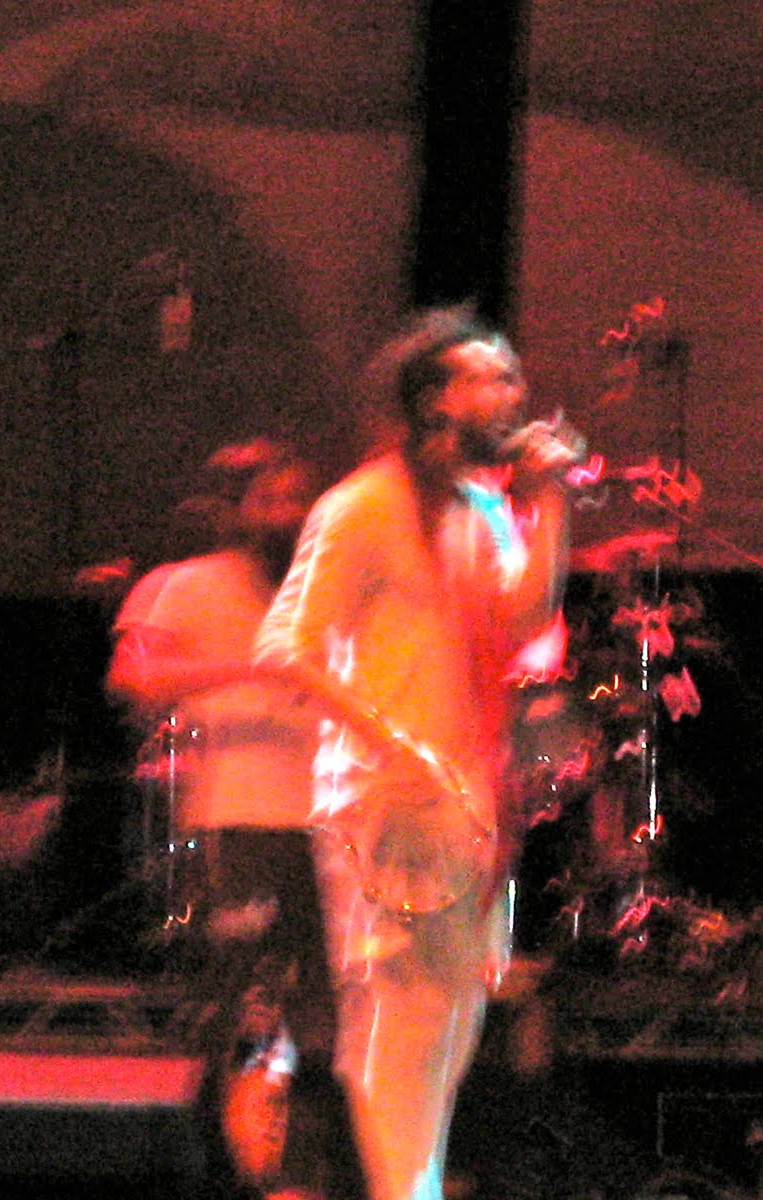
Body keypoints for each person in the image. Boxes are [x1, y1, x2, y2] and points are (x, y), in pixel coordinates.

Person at [253, 307, 580, 1200]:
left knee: (456, 1020)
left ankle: (412, 1187)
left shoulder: (483, 506)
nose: (516, 391)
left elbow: (521, 616)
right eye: (492, 376)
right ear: (436, 399)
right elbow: (283, 647)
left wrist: (550, 501)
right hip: (381, 800)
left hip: (461, 801)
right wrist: (389, 742)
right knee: (398, 1019)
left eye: (513, 375)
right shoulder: (359, 506)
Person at [106, 438, 368, 1200]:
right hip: (243, 823)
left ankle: (311, 1175)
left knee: (332, 1012)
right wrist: (253, 666)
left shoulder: (333, 586)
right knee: (250, 1002)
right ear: (239, 511)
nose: (286, 513)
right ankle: (241, 1172)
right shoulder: (187, 585)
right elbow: (132, 677)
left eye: (298, 499)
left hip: (335, 828)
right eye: (269, 499)